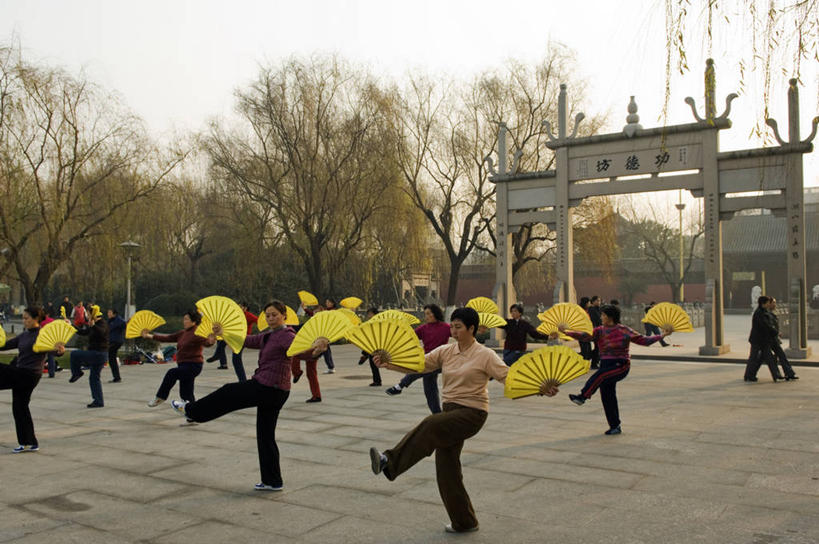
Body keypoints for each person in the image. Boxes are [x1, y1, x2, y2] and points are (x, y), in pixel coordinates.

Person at [368, 307, 558, 533]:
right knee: (447, 471)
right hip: (450, 410)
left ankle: (389, 462)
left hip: (472, 413)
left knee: (431, 423)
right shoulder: (446, 351)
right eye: (453, 326)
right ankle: (465, 522)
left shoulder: (485, 355)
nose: (454, 331)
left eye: (459, 327)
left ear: (472, 329)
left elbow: (509, 377)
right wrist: (388, 364)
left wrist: (539, 388)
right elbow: (418, 364)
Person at [168, 301, 327, 491]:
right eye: (267, 315)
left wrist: (316, 350)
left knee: (229, 392)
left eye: (275, 314)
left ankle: (192, 411)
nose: (270, 318)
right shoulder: (268, 335)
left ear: (284, 315)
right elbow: (247, 340)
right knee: (265, 436)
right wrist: (223, 333)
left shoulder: (286, 335)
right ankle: (272, 481)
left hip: (268, 387)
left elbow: (299, 351)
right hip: (276, 390)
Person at [560, 304, 670, 435]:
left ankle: (583, 396)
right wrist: (566, 332)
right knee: (607, 397)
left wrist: (662, 335)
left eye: (603, 315)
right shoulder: (600, 330)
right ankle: (615, 426)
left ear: (610, 317)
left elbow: (644, 340)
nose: (601, 317)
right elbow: (585, 336)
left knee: (600, 376)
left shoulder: (624, 330)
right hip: (606, 365)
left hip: (620, 365)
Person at [0, 306, 65, 452]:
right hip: (20, 373)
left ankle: (27, 441)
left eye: (26, 318)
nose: (24, 321)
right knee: (19, 407)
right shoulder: (23, 336)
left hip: (29, 374)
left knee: (2, 370)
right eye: (23, 318)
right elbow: (6, 345)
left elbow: (54, 350)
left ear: (36, 319)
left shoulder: (42, 335)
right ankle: (28, 442)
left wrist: (59, 351)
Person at [143, 308, 216, 407]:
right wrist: (148, 335)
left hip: (193, 366)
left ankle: (160, 397)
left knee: (172, 373)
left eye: (186, 319)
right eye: (184, 319)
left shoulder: (198, 333)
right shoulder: (183, 333)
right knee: (186, 393)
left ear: (194, 321)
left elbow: (206, 342)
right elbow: (167, 338)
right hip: (183, 365)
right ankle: (192, 417)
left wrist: (211, 341)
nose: (184, 321)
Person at [385, 304, 450, 414]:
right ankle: (437, 414)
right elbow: (409, 337)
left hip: (440, 360)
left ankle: (400, 386)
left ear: (436, 313)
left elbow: (461, 335)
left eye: (429, 313)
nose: (427, 316)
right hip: (427, 358)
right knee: (430, 389)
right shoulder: (424, 328)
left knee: (418, 369)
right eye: (425, 314)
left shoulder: (446, 327)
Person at [69, 305, 110, 408]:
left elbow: (101, 332)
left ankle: (77, 373)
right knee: (94, 378)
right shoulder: (93, 324)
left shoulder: (102, 323)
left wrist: (93, 326)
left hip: (98, 354)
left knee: (74, 354)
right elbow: (83, 332)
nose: (86, 315)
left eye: (87, 313)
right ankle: (98, 401)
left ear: (92, 314)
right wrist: (71, 325)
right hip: (96, 354)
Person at [207, 302, 257, 380]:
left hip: (243, 339)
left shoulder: (248, 315)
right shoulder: (234, 315)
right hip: (233, 336)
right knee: (221, 342)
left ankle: (242, 380)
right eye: (238, 306)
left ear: (245, 308)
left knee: (236, 359)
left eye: (241, 307)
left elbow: (257, 320)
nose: (239, 308)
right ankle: (217, 355)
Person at [743, 296, 784, 382]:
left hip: (764, 340)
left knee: (769, 358)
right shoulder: (759, 313)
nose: (769, 304)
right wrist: (776, 332)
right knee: (753, 358)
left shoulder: (764, 312)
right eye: (768, 302)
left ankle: (776, 375)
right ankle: (749, 375)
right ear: (763, 304)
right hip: (757, 340)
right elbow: (766, 326)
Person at [766, 298, 797, 381]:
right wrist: (776, 332)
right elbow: (769, 327)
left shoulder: (772, 313)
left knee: (781, 356)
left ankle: (789, 373)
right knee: (765, 359)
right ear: (768, 303)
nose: (775, 305)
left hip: (774, 339)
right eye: (773, 303)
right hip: (769, 340)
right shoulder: (766, 314)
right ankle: (778, 374)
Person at [303, 298, 337, 373]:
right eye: (326, 302)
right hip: (324, 335)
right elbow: (314, 314)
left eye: (328, 302)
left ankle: (330, 366)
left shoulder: (332, 311)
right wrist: (305, 309)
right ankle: (330, 366)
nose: (327, 303)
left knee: (322, 350)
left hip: (326, 334)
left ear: (332, 303)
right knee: (325, 350)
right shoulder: (326, 311)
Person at [357, 308, 382, 387]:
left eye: (370, 314)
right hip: (371, 344)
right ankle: (377, 380)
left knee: (373, 364)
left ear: (375, 314)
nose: (369, 316)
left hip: (376, 345)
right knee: (373, 364)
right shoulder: (371, 323)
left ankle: (377, 381)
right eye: (368, 314)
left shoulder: (377, 323)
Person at [107, 308, 126, 383]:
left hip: (116, 341)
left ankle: (117, 377)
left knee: (111, 358)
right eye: (108, 312)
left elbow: (124, 324)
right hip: (112, 341)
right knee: (112, 359)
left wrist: (128, 321)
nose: (108, 313)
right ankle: (117, 377)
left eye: (110, 312)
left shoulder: (118, 320)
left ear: (114, 313)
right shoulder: (110, 320)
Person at [587, 296, 602, 369]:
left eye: (599, 301)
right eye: (597, 301)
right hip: (596, 330)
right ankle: (594, 363)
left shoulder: (598, 309)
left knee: (598, 347)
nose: (599, 302)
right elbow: (593, 321)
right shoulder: (591, 310)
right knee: (597, 347)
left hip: (600, 330)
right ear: (593, 301)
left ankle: (595, 361)